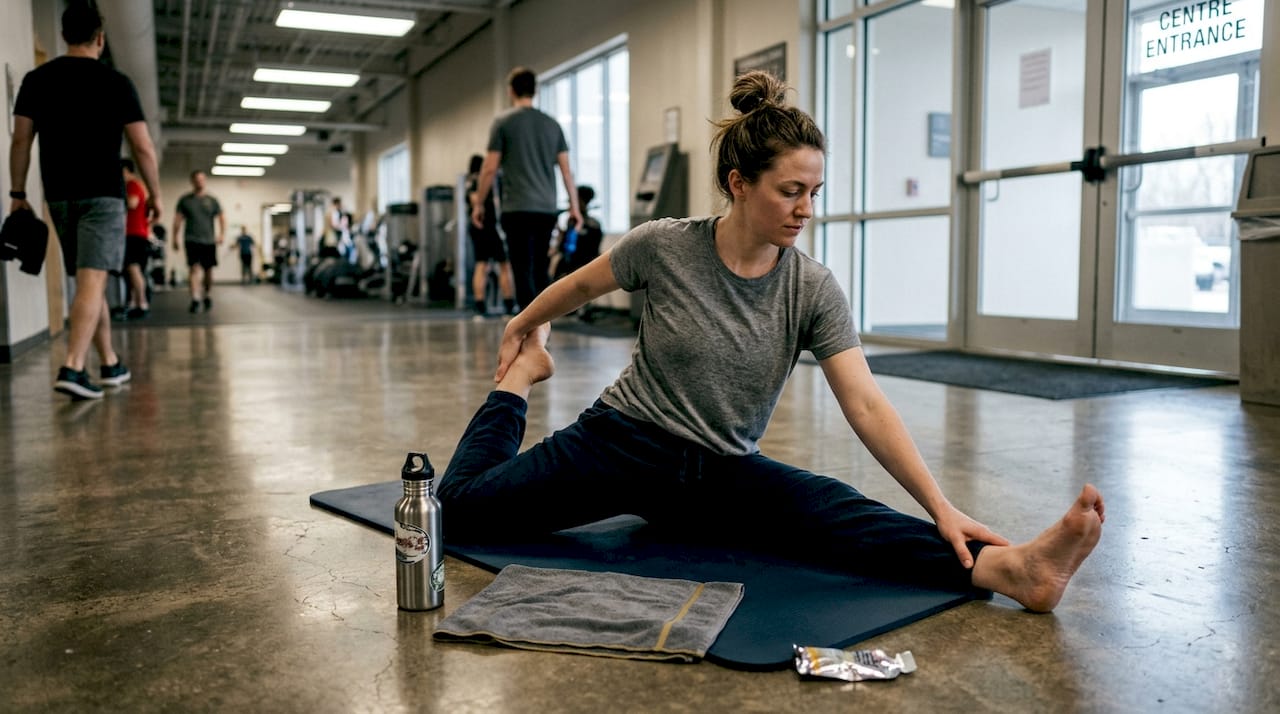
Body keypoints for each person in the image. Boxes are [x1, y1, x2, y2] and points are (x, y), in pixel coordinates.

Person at [437, 72, 1104, 614]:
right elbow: (582, 284)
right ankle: (517, 383)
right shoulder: (664, 246)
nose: (806, 208)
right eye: (790, 191)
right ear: (739, 184)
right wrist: (523, 327)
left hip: (721, 469)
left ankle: (1013, 570)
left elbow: (866, 403)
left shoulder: (811, 288)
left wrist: (941, 506)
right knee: (458, 512)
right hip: (621, 445)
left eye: (814, 192)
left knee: (835, 512)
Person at [8, 0, 162, 399]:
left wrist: (18, 194)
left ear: (64, 35)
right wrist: (155, 195)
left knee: (89, 281)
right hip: (103, 195)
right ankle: (74, 367)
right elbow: (143, 147)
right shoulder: (116, 82)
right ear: (100, 38)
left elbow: (21, 140)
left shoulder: (37, 79)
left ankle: (109, 362)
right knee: (93, 280)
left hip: (59, 195)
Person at [471, 67, 582, 312]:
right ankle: (542, 323)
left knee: (521, 268)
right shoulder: (552, 125)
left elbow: (489, 168)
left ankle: (528, 325)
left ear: (511, 91)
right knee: (540, 267)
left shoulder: (503, 122)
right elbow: (566, 171)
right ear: (535, 90)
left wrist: (478, 203)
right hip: (546, 208)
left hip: (517, 208)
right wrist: (575, 207)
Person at [466, 154, 515, 319]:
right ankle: (502, 306)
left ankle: (487, 306)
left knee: (488, 265)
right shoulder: (481, 181)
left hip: (485, 227)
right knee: (497, 265)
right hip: (488, 226)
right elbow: (475, 201)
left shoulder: (473, 182)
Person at [172, 169, 224, 313]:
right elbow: (177, 220)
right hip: (192, 239)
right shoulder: (185, 200)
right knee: (193, 268)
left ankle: (207, 294)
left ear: (205, 181)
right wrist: (174, 238)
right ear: (192, 181)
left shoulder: (212, 201)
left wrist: (221, 234)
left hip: (209, 240)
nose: (199, 182)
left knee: (208, 270)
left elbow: (221, 218)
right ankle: (195, 298)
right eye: (197, 180)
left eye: (202, 179)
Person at [119, 158, 152, 320]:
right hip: (133, 233)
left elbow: (132, 203)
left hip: (134, 234)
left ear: (126, 170)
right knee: (130, 270)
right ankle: (133, 303)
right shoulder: (134, 185)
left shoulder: (132, 185)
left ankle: (142, 303)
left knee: (134, 269)